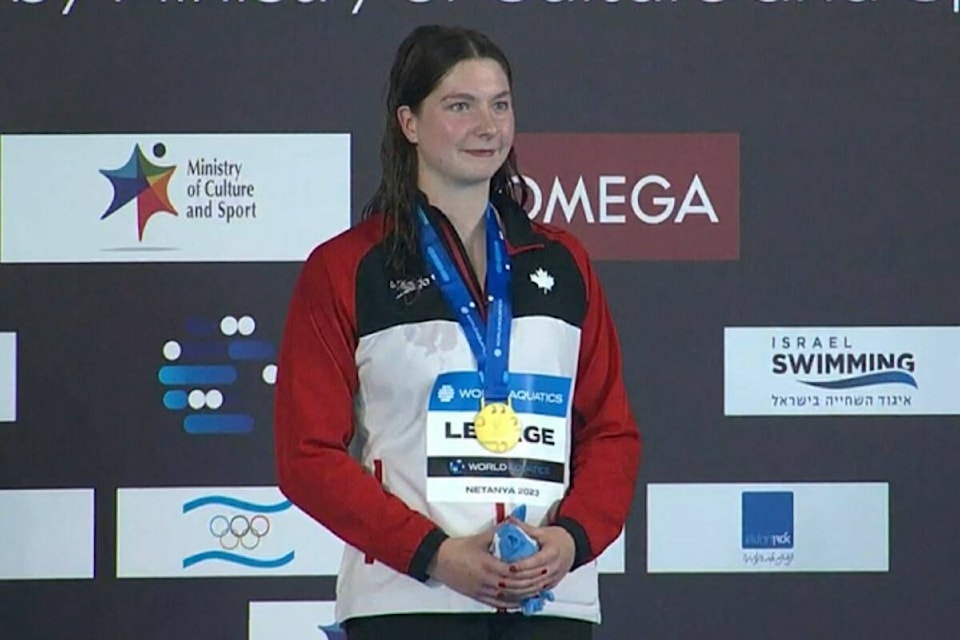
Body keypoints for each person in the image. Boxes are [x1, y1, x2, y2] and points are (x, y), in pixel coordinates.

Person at [274, 24, 641, 640]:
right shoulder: (347, 269)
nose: (488, 125)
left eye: (500, 104)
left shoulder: (562, 261)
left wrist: (570, 542)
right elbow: (306, 455)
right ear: (409, 123)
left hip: (551, 602)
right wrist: (434, 553)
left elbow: (611, 432)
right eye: (460, 105)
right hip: (407, 601)